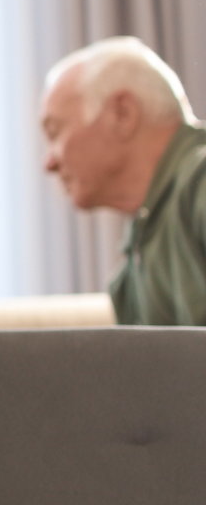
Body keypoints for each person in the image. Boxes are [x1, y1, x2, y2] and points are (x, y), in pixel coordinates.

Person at [41, 36, 206, 325]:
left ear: (123, 113)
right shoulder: (128, 280)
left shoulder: (200, 180)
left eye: (55, 133)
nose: (49, 163)